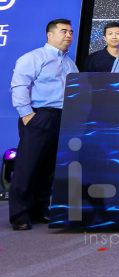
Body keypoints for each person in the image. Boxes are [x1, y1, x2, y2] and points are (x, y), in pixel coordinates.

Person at [9, 19, 78, 230]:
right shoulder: (33, 57)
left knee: (49, 168)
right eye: (64, 31)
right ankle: (20, 214)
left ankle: (40, 210)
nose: (69, 35)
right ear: (50, 35)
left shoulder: (70, 63)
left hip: (64, 117)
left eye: (71, 32)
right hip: (40, 116)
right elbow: (20, 85)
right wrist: (27, 115)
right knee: (28, 165)